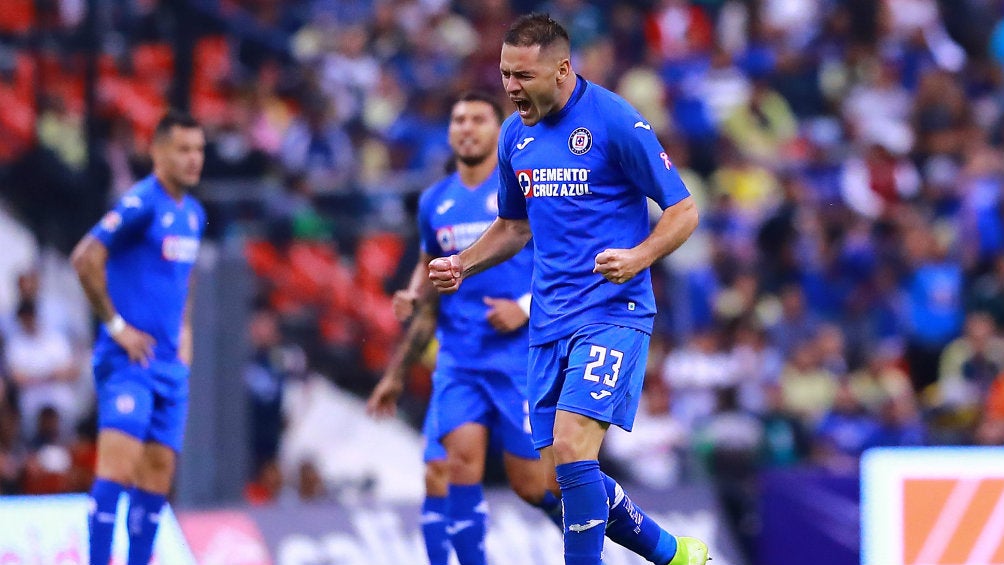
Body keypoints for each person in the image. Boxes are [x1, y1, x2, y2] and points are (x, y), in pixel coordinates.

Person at [429, 14, 708, 565]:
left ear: (561, 70)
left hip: (613, 311)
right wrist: (463, 263)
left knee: (575, 449)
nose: (511, 87)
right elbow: (514, 226)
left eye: (523, 76)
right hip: (549, 321)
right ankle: (672, 552)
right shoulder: (515, 135)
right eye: (505, 74)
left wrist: (640, 256)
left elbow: (684, 209)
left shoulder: (614, 121)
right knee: (564, 467)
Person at [367, 91, 564, 565]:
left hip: (520, 360)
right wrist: (398, 363)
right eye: (458, 119)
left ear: (498, 130)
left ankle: (597, 536)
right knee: (451, 470)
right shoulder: (434, 201)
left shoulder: (525, 188)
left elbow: (567, 262)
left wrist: (523, 304)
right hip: (459, 361)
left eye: (478, 119)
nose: (466, 128)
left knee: (531, 484)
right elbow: (428, 283)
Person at [71, 110, 206, 565]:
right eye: (183, 149)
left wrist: (185, 332)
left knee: (157, 478)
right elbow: (85, 258)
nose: (193, 159)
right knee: (119, 470)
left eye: (199, 149)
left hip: (169, 366)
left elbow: (181, 282)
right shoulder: (141, 203)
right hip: (129, 362)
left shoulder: (194, 214)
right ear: (158, 152)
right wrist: (117, 327)